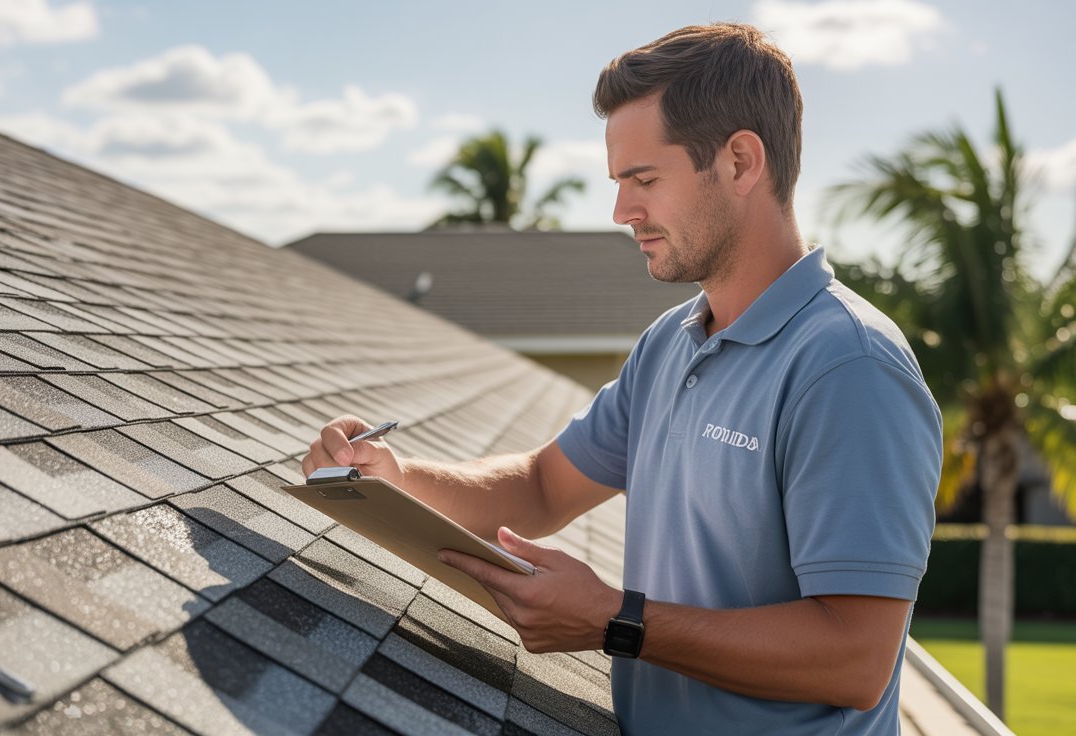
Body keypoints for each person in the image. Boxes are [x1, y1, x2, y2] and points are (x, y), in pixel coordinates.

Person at [301, 22, 940, 735]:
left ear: (739, 161)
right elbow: (542, 487)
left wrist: (619, 621)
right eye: (618, 182)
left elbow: (855, 661)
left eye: (644, 180)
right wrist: (393, 476)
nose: (620, 212)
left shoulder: (849, 368)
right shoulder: (669, 345)